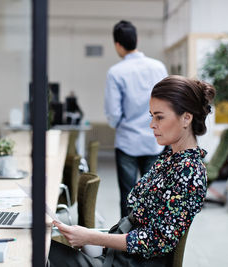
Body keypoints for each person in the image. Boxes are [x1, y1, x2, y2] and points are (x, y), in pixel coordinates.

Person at [49, 75, 216, 267]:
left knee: (39, 252)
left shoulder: (190, 172)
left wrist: (91, 237)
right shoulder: (170, 158)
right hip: (118, 256)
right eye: (151, 116)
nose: (152, 124)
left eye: (159, 117)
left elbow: (156, 240)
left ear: (186, 118)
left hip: (131, 263)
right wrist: (93, 239)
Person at [104, 20, 168, 218]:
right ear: (137, 40)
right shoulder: (159, 68)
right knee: (154, 195)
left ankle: (126, 243)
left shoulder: (116, 72)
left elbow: (113, 113)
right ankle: (150, 241)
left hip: (127, 142)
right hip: (155, 140)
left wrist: (122, 124)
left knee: (128, 196)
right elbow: (168, 103)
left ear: (117, 45)